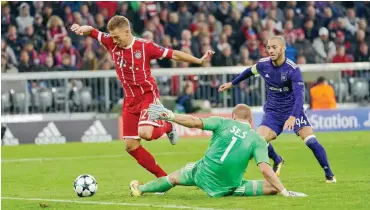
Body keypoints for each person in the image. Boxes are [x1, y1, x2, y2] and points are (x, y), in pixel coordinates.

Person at [70, 16, 214, 178]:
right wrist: (83, 29)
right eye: (112, 37)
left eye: (117, 37)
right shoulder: (110, 41)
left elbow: (173, 54)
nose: (114, 40)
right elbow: (93, 31)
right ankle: (163, 179)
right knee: (131, 146)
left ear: (127, 31)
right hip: (130, 100)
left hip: (147, 96)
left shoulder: (145, 47)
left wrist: (198, 60)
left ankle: (167, 126)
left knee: (145, 133)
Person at [219, 36, 336, 183]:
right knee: (258, 140)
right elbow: (249, 71)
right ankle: (277, 159)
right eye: (268, 47)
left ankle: (329, 174)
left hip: (293, 109)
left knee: (310, 141)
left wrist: (293, 116)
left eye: (274, 47)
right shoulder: (263, 65)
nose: (270, 50)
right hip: (273, 111)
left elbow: (300, 97)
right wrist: (232, 83)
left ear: (283, 48)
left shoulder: (293, 70)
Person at [129, 104, 307, 198]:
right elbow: (265, 169)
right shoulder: (258, 139)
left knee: (173, 178)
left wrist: (171, 116)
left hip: (202, 174)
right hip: (230, 185)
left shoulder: (222, 122)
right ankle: (235, 190)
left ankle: (141, 189)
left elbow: (193, 122)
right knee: (272, 187)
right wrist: (284, 191)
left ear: (233, 116)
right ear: (251, 120)